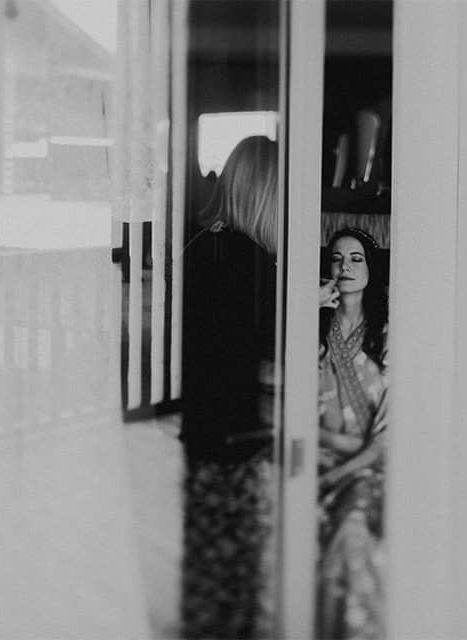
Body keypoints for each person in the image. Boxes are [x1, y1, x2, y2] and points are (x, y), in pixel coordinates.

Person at [179, 135, 279, 639]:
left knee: (207, 546)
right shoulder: (253, 261)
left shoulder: (202, 244)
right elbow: (263, 345)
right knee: (237, 551)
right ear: (265, 194)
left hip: (201, 419)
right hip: (235, 425)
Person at [316, 227, 389, 640]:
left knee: (352, 533)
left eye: (356, 259)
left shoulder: (389, 336)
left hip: (365, 469)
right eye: (337, 258)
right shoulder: (311, 329)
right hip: (312, 455)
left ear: (371, 270)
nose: (345, 267)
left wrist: (331, 476)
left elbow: (385, 441)